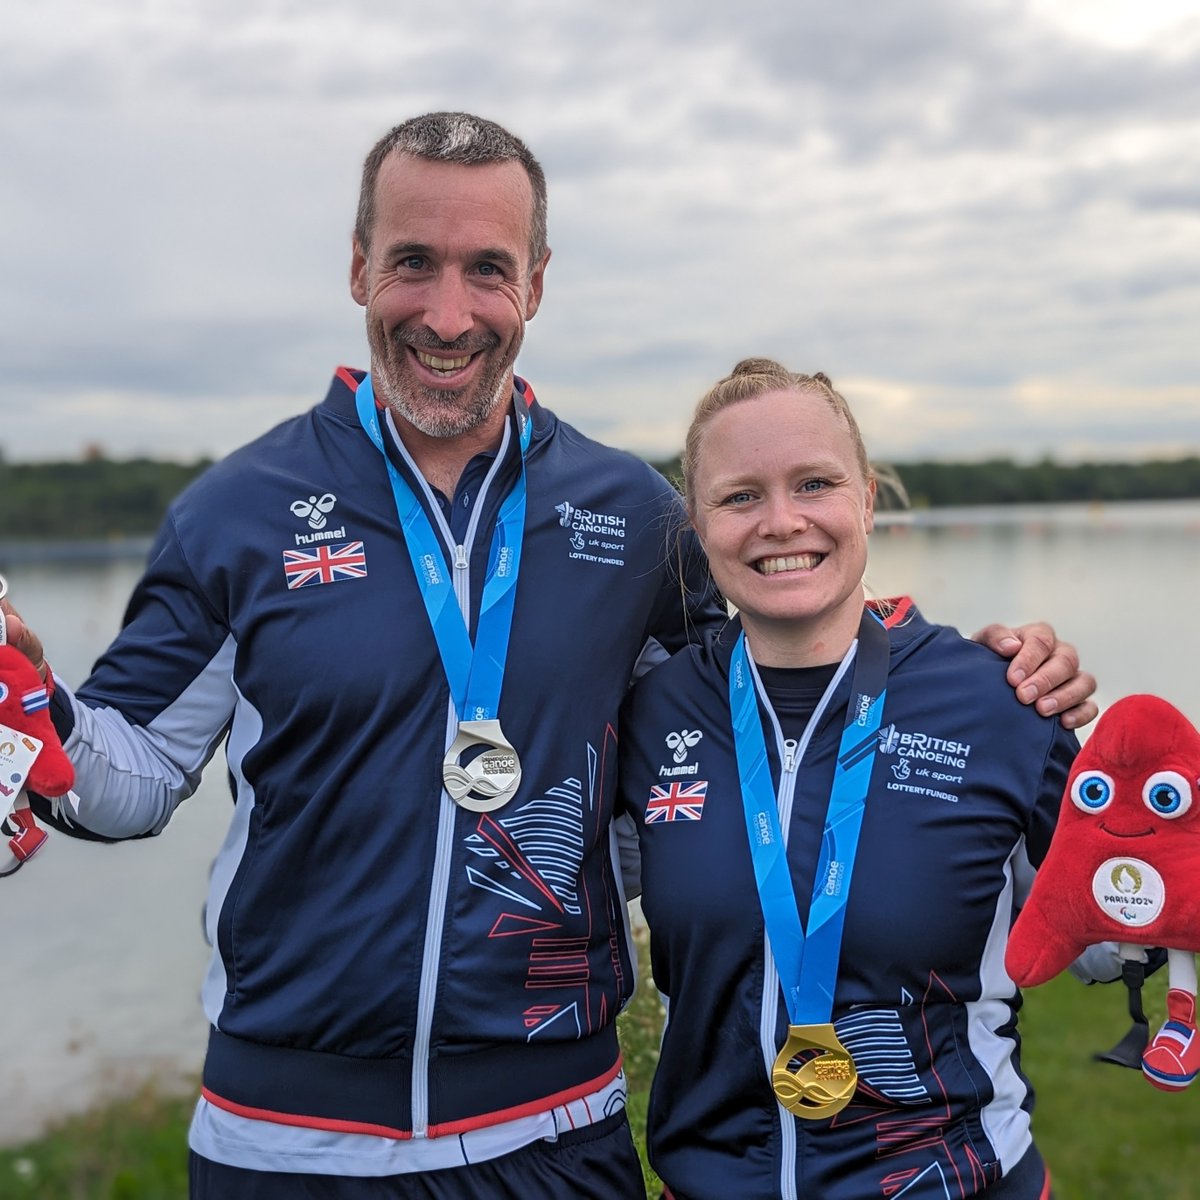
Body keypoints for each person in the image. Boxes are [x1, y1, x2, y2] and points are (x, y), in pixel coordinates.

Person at [0, 117, 1095, 1199]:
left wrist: (992, 678)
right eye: (412, 264)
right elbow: (126, 776)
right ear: (356, 269)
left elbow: (788, 672)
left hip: (555, 1140)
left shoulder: (631, 512)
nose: (448, 312)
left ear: (535, 283)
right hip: (285, 1141)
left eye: (488, 269)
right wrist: (25, 712)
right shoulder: (239, 511)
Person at [618, 359, 1088, 1200]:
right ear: (695, 521)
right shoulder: (652, 712)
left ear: (867, 498)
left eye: (814, 483)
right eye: (740, 496)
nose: (782, 520)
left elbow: (1121, 933)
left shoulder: (1003, 701)